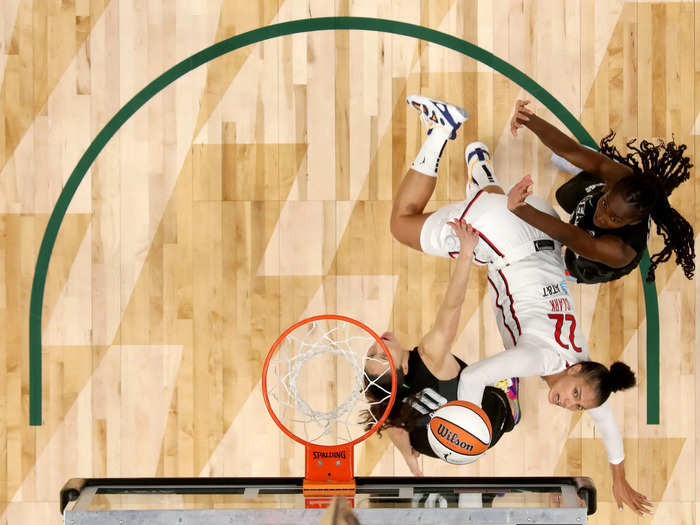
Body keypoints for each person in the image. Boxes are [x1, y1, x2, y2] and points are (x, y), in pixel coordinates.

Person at [387, 94, 652, 516]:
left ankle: (481, 167)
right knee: (402, 223)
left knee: (491, 200)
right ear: (576, 370)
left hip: (537, 235)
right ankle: (441, 128)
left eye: (577, 405)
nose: (569, 404)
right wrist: (463, 430)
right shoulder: (539, 359)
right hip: (503, 239)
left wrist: (618, 473)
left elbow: (605, 417)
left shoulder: (578, 361)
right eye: (576, 395)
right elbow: (474, 375)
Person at [362, 217, 519, 477]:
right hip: (490, 420)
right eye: (382, 355)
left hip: (454, 447)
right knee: (487, 385)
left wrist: (409, 458)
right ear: (403, 365)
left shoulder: (380, 393)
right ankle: (509, 401)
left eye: (371, 353)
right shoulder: (428, 356)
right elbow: (452, 305)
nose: (378, 346)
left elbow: (392, 425)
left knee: (393, 416)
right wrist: (466, 251)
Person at [508, 99, 694, 283]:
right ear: (611, 188)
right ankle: (590, 170)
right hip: (597, 195)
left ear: (633, 222)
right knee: (564, 194)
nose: (602, 217)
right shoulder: (621, 179)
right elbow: (572, 150)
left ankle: (568, 273)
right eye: (605, 204)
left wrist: (521, 210)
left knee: (570, 264)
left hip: (593, 261)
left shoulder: (618, 251)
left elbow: (569, 235)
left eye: (614, 219)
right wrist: (528, 119)